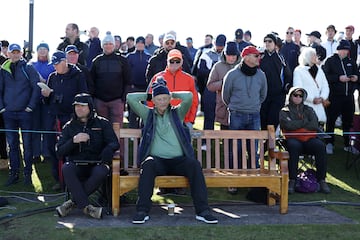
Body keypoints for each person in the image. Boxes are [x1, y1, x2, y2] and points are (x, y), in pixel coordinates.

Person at [127, 78, 218, 224]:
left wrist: (169, 93)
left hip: (178, 161)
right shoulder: (148, 114)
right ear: (153, 101)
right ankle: (142, 211)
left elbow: (189, 96)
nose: (162, 102)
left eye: (165, 99)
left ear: (169, 99)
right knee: (148, 164)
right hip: (157, 161)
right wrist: (152, 95)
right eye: (159, 99)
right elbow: (130, 98)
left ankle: (203, 211)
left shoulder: (177, 113)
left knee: (194, 164)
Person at [55, 93, 120, 219]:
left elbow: (114, 143)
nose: (79, 109)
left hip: (96, 163)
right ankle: (88, 208)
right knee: (67, 168)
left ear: (90, 107)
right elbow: (59, 151)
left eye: (83, 106)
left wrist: (108, 149)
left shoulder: (103, 123)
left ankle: (72, 203)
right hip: (77, 164)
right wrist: (73, 141)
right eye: (77, 106)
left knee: (102, 170)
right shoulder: (69, 126)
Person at [222, 46, 267, 194]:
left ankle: (253, 181)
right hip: (236, 115)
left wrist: (252, 106)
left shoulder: (261, 75)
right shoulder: (232, 74)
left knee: (253, 149)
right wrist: (237, 107)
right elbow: (225, 96)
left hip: (254, 115)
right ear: (246, 57)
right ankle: (233, 181)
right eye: (255, 55)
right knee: (236, 149)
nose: (258, 58)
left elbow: (263, 95)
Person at [41, 51, 88, 190]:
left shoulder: (78, 75)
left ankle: (74, 181)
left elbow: (83, 97)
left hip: (71, 118)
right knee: (53, 149)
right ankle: (59, 180)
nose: (55, 67)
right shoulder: (52, 77)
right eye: (53, 64)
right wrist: (46, 95)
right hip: (54, 118)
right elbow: (47, 101)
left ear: (64, 62)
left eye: (57, 64)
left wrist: (54, 95)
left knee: (71, 149)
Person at [0, 43, 40, 186]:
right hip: (9, 113)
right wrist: (2, 108)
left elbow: (36, 88)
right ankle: (14, 174)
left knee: (28, 145)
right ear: (8, 54)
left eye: (18, 52)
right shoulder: (3, 69)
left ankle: (27, 175)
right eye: (13, 52)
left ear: (21, 53)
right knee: (12, 145)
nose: (15, 54)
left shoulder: (28, 68)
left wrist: (30, 106)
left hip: (25, 113)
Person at [279, 87, 330, 194]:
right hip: (292, 139)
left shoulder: (309, 109)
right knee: (293, 146)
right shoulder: (284, 111)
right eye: (295, 95)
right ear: (290, 96)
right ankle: (292, 180)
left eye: (300, 96)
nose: (298, 98)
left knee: (320, 146)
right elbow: (288, 125)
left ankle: (321, 180)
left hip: (309, 139)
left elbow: (315, 124)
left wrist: (297, 124)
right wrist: (304, 122)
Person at [322, 39, 359, 155]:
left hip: (348, 97)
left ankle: (347, 144)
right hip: (334, 96)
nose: (345, 52)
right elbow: (324, 76)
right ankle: (329, 143)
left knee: (348, 121)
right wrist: (338, 78)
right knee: (331, 120)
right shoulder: (330, 60)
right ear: (338, 50)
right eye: (343, 49)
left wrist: (355, 78)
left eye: (346, 49)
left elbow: (357, 74)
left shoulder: (351, 61)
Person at [148, 49, 199, 128]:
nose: (174, 63)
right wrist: (155, 117)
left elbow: (194, 101)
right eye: (172, 61)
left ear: (182, 62)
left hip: (184, 121)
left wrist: (190, 120)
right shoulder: (157, 77)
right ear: (167, 61)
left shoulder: (189, 79)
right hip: (162, 121)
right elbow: (150, 99)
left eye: (177, 61)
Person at [90, 31, 131, 127]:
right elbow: (91, 81)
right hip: (100, 101)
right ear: (102, 45)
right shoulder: (97, 61)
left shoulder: (122, 60)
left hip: (117, 101)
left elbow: (128, 80)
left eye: (110, 44)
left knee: (117, 130)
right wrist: (93, 99)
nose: (108, 46)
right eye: (106, 44)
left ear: (114, 45)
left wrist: (123, 99)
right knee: (101, 129)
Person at [260, 33, 292, 132]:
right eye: (265, 41)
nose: (267, 43)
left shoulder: (280, 58)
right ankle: (263, 146)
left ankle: (270, 145)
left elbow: (288, 75)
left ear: (275, 44)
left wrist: (286, 87)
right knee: (263, 122)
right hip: (262, 96)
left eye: (270, 41)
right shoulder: (260, 58)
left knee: (272, 122)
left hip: (277, 96)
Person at [195, 34, 226, 134]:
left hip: (224, 90)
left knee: (224, 115)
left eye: (221, 45)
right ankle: (206, 141)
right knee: (209, 115)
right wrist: (215, 74)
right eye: (218, 45)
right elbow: (200, 71)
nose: (219, 47)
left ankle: (225, 140)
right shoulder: (206, 54)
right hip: (210, 88)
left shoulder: (228, 56)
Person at [30, 42, 55, 164]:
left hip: (47, 101)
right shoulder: (31, 64)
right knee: (35, 127)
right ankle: (35, 153)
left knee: (47, 127)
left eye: (45, 49)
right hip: (34, 100)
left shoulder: (52, 65)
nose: (42, 51)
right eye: (40, 49)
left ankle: (46, 153)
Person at [207, 41, 241, 130]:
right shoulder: (217, 66)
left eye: (234, 55)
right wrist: (223, 83)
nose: (231, 58)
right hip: (223, 108)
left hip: (240, 108)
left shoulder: (243, 66)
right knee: (225, 137)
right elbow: (210, 86)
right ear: (225, 54)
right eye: (229, 55)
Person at [293, 47, 329, 126]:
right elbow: (298, 88)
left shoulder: (319, 70)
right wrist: (311, 99)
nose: (316, 56)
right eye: (313, 55)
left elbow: (325, 85)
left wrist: (322, 97)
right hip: (305, 106)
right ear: (307, 56)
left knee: (319, 133)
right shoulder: (299, 70)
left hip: (319, 106)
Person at [126, 36, 151, 128]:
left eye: (142, 43)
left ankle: (145, 129)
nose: (140, 45)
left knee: (146, 110)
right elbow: (127, 72)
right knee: (133, 110)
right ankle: (132, 130)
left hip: (146, 88)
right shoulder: (129, 57)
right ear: (136, 44)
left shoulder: (149, 57)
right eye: (138, 43)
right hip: (134, 87)